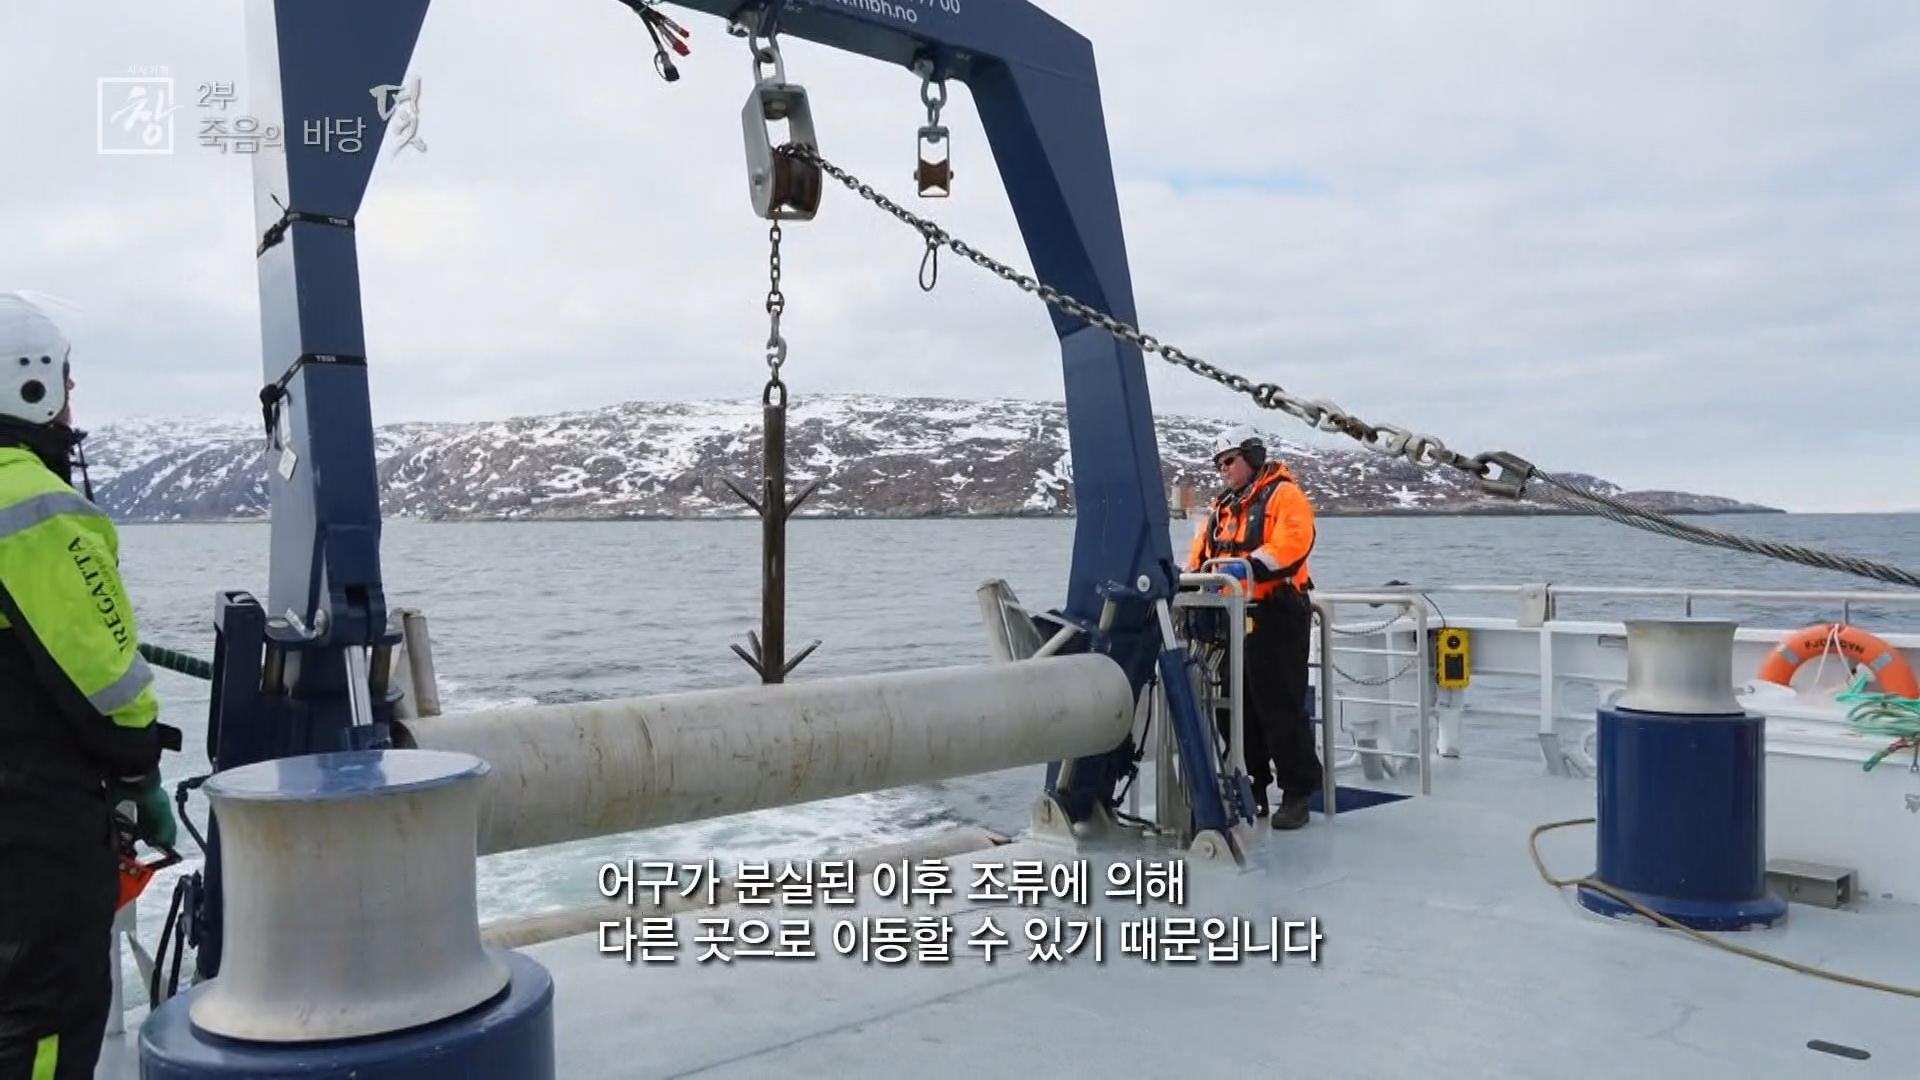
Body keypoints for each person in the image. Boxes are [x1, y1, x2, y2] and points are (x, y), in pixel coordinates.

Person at [0, 292, 178, 1079]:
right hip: (28, 825)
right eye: (65, 385)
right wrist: (141, 771)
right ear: (29, 384)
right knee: (42, 1022)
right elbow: (109, 689)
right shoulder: (32, 507)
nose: (72, 407)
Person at [1187, 425, 1323, 830]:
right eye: (1219, 464)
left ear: (1252, 455)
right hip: (1230, 616)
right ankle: (1254, 789)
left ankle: (1297, 793)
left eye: (1229, 461)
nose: (1224, 470)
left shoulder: (1285, 495)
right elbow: (1198, 557)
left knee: (1279, 706)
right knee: (1234, 708)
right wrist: (1189, 581)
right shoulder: (1221, 511)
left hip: (1276, 613)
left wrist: (1245, 567)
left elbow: (1293, 544)